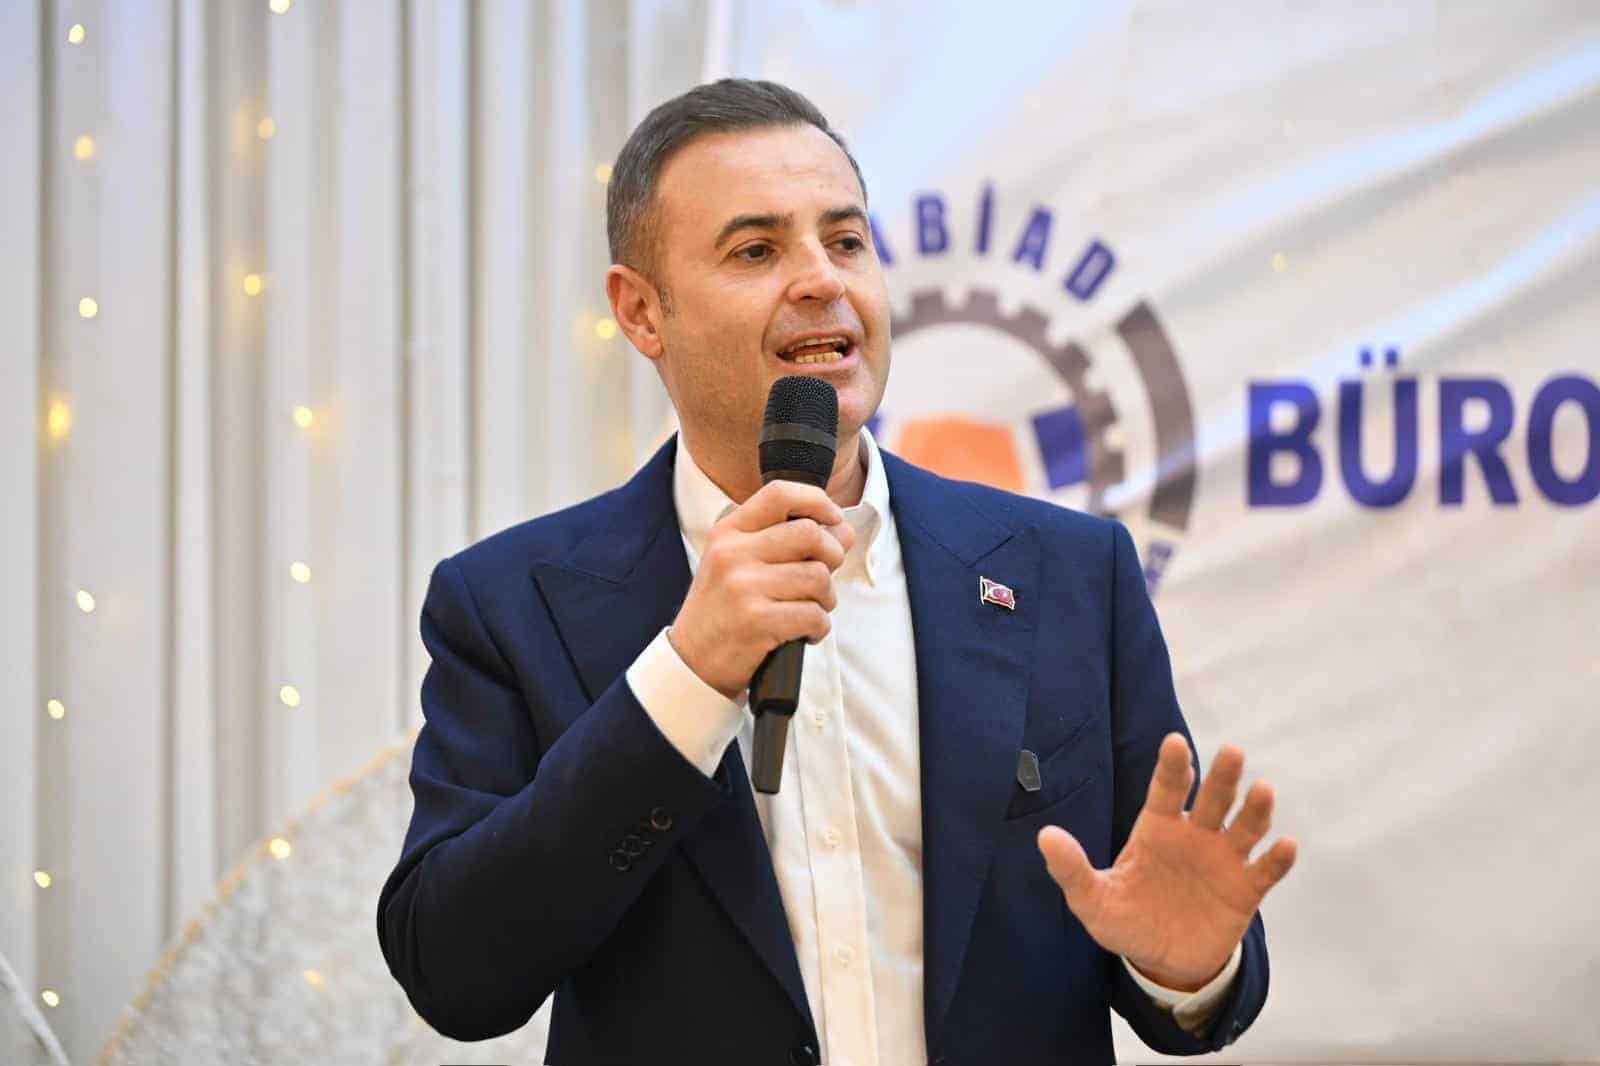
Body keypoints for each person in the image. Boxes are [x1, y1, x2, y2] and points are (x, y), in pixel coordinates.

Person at [377, 78, 1297, 1066]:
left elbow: (1159, 927)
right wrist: (688, 676)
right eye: (756, 250)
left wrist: (1185, 969)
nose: (822, 279)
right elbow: (455, 974)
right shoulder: (513, 601)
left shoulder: (1070, 574)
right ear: (641, 312)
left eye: (847, 240)